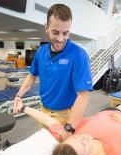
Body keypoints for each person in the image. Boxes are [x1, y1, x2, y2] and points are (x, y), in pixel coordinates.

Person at [14, 4, 93, 138]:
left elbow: (83, 95)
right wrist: (18, 95)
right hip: (43, 110)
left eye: (65, 33)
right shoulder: (41, 52)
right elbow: (32, 77)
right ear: (46, 28)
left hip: (65, 114)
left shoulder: (78, 55)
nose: (60, 38)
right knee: (43, 146)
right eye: (55, 32)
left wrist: (69, 128)